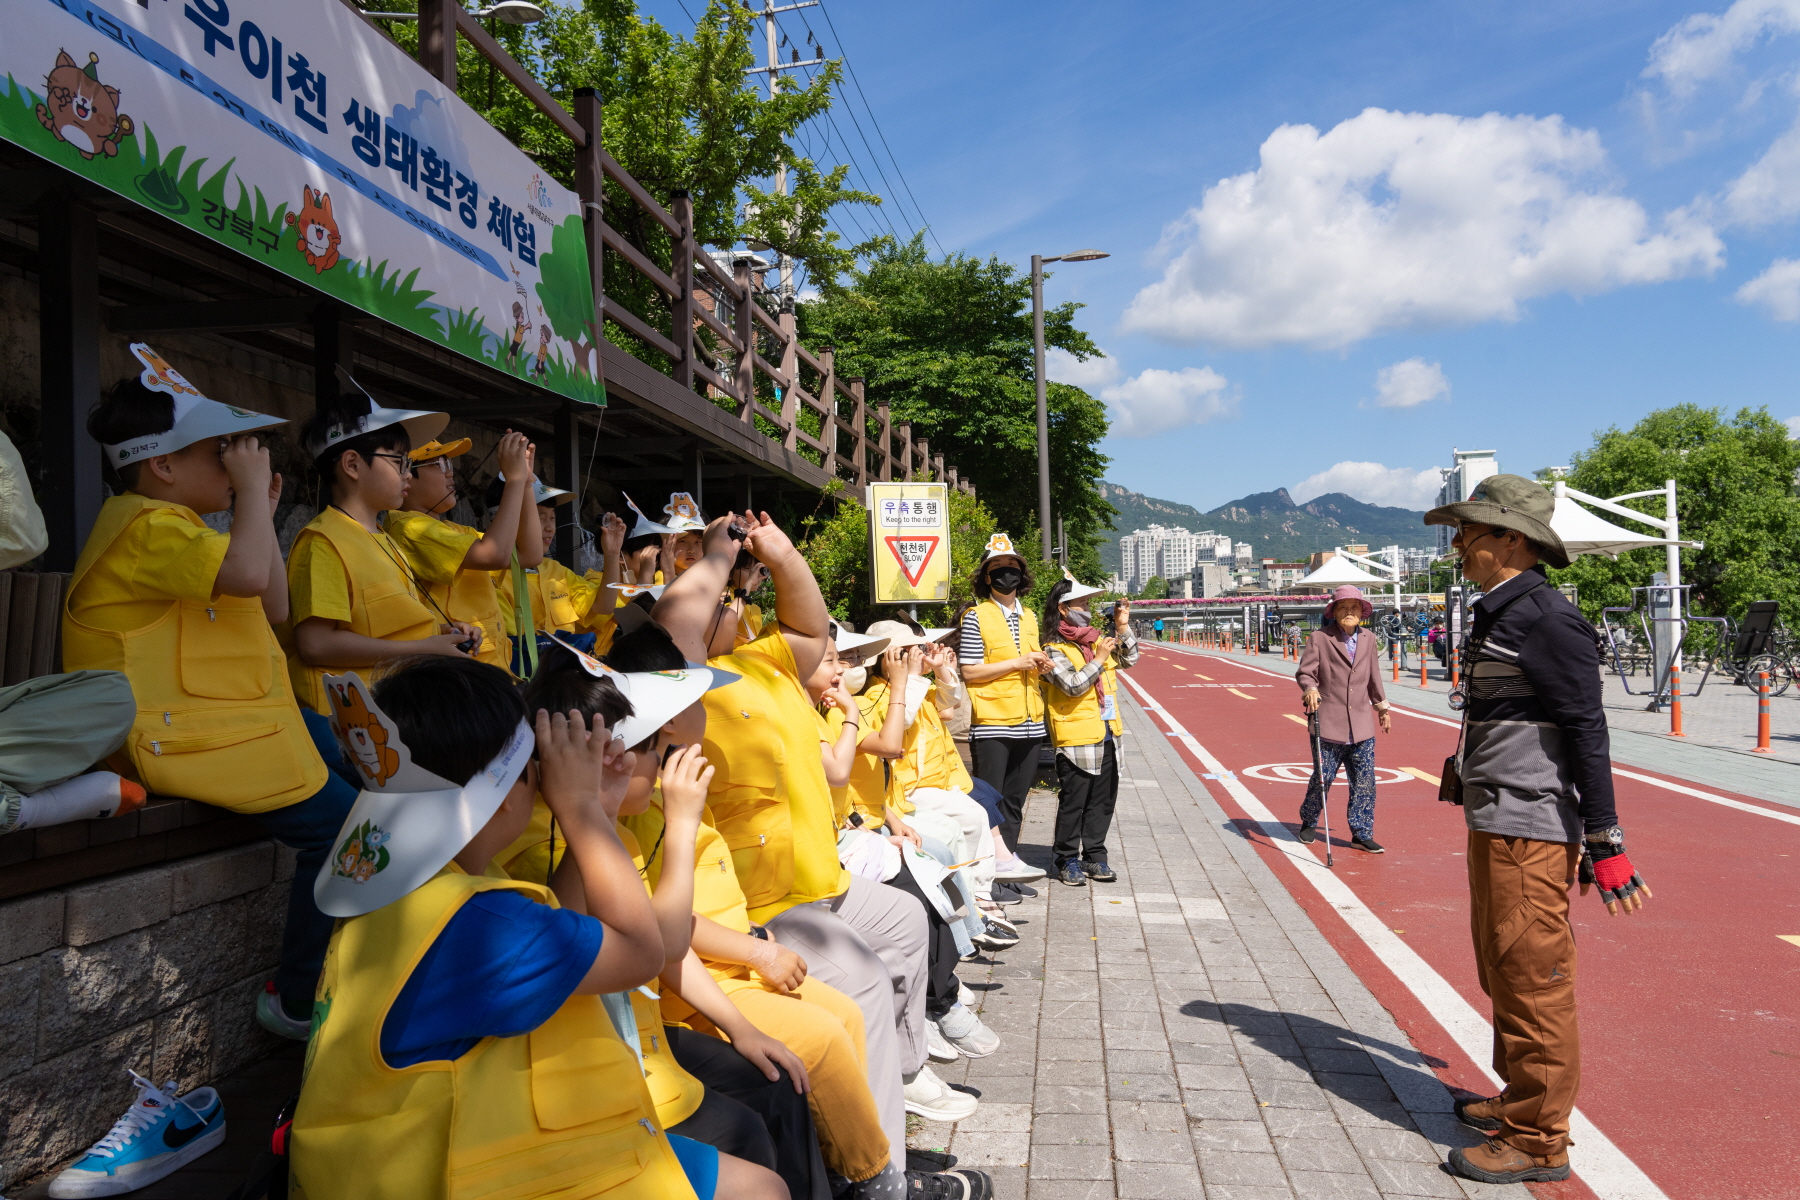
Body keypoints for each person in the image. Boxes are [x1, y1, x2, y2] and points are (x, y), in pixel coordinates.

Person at [288, 657, 783, 1200]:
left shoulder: (420, 890)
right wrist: (580, 809)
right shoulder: (482, 925)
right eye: (532, 767)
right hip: (465, 1170)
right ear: (502, 793)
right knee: (764, 1191)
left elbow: (567, 929)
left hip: (400, 1151)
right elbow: (643, 954)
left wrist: (600, 807)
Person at [651, 514, 987, 1196]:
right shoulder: (676, 683)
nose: (737, 604)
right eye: (726, 598)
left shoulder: (763, 660)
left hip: (823, 869)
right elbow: (673, 628)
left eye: (741, 596)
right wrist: (715, 556)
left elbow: (810, 627)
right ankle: (878, 1169)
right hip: (771, 899)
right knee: (855, 993)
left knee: (905, 927)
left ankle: (906, 1070)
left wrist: (781, 555)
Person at [62, 349, 361, 1044]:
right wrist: (252, 500)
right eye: (219, 451)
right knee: (349, 832)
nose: (234, 463)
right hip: (181, 737)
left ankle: (346, 970)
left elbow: (276, 602)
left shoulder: (181, 529)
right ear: (162, 465)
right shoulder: (144, 527)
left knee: (372, 780)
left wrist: (259, 507)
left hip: (244, 725)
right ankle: (294, 997)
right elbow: (256, 576)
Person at [1423, 474, 1650, 1186]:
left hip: (1531, 824)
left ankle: (1539, 1137)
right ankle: (1518, 1097)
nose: (1458, 543)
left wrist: (1606, 840)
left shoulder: (1547, 619)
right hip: (1498, 815)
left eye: (1470, 531)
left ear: (1510, 541)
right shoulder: (1501, 610)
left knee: (1533, 977)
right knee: (1501, 966)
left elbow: (1588, 726)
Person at [283, 381, 474, 715]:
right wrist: (421, 649)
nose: (408, 475)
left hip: (398, 708)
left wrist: (443, 633)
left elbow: (389, 626)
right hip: (357, 725)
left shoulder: (384, 538)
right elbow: (315, 644)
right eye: (399, 462)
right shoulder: (323, 542)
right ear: (353, 465)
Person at [382, 433, 540, 673]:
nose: (450, 473)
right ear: (406, 475)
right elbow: (493, 555)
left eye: (450, 464)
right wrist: (514, 481)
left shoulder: (456, 530)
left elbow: (529, 555)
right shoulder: (408, 527)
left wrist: (526, 482)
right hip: (458, 674)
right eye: (439, 464)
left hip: (489, 669)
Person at [957, 533, 1051, 868]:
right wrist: (1018, 663)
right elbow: (968, 672)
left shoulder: (1029, 617)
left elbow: (1027, 663)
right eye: (997, 567)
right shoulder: (976, 616)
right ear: (986, 576)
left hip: (1029, 724)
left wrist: (1040, 664)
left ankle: (1008, 868)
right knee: (987, 802)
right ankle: (984, 874)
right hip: (993, 723)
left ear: (1021, 575)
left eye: (1012, 566)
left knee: (1014, 801)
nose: (1005, 573)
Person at [1041, 576, 1138, 886]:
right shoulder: (1052, 648)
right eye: (1082, 604)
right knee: (1074, 800)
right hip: (1076, 737)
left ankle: (1095, 856)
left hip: (1108, 731)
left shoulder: (1096, 639)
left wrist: (1122, 628)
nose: (1087, 609)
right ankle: (1066, 859)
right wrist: (1098, 659)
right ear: (1063, 609)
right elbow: (1072, 685)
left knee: (1103, 800)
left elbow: (1130, 658)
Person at [1296, 585, 1392, 855]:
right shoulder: (1319, 638)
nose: (1349, 612)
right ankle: (1309, 819)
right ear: (1334, 611)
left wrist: (1382, 707)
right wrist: (1310, 689)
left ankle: (1361, 833)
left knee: (1364, 781)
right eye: (1343, 607)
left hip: (1361, 724)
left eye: (1355, 607)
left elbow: (1374, 676)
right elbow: (1306, 673)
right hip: (1328, 721)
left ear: (1363, 612)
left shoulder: (1369, 638)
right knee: (1323, 777)